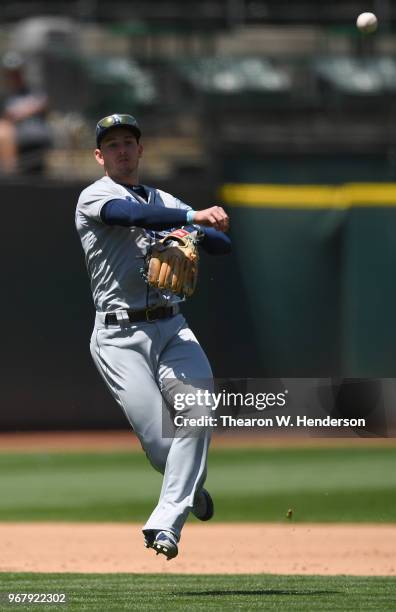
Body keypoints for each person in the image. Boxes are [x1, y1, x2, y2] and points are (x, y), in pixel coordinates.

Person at [75, 113, 231, 560]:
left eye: (129, 142)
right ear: (99, 156)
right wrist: (187, 216)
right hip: (118, 336)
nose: (122, 150)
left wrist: (194, 231)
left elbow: (222, 245)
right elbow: (128, 214)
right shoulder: (95, 195)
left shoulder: (163, 198)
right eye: (113, 144)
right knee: (160, 444)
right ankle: (192, 490)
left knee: (198, 412)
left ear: (141, 150)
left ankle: (166, 523)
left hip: (171, 325)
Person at [0, 51, 51, 174]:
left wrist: (22, 111)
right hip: (15, 141)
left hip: (38, 137)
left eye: (17, 73)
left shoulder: (33, 91)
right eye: (11, 74)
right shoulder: (5, 97)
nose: (14, 77)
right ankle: (8, 174)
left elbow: (43, 104)